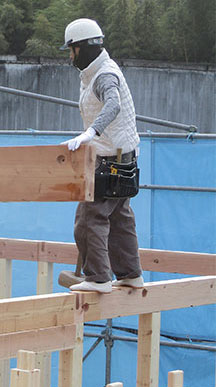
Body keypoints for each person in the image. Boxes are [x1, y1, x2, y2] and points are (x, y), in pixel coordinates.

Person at [60, 18, 144, 294]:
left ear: (82, 47)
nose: (71, 56)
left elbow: (113, 104)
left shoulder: (104, 75)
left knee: (89, 217)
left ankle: (98, 278)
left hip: (109, 159)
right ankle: (130, 274)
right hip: (124, 156)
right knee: (120, 216)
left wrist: (90, 133)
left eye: (72, 50)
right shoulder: (98, 71)